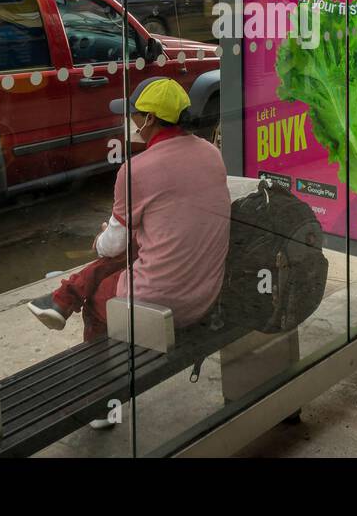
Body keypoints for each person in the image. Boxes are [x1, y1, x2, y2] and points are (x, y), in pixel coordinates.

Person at [27, 76, 230, 344]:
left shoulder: (136, 170)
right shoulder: (210, 153)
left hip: (161, 304)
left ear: (150, 119)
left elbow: (112, 247)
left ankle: (102, 371)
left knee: (99, 298)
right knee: (133, 242)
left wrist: (101, 240)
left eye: (133, 113)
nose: (130, 119)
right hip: (204, 295)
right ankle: (64, 297)